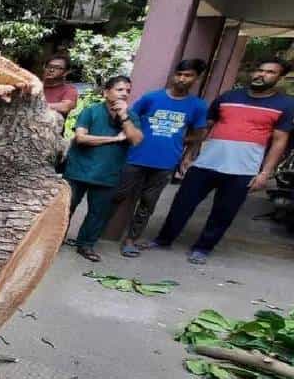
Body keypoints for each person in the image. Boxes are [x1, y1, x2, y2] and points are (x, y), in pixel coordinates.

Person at [149, 59, 294, 264]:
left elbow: (280, 140)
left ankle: (203, 248)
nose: (261, 75)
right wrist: (190, 154)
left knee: (224, 212)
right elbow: (204, 127)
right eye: (259, 70)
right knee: (181, 204)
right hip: (205, 163)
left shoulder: (286, 104)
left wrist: (264, 173)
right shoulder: (228, 97)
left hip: (243, 169)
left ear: (279, 78)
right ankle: (164, 239)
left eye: (270, 72)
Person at [112, 59, 209, 257]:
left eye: (188, 75)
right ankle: (94, 233)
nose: (182, 79)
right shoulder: (151, 98)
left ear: (196, 79)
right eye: (179, 74)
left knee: (148, 203)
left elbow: (200, 134)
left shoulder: (197, 106)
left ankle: (131, 239)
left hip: (165, 163)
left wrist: (184, 145)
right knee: (117, 195)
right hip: (135, 157)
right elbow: (127, 117)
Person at [63, 76, 143, 262]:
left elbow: (136, 139)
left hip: (108, 174)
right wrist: (115, 139)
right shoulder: (91, 111)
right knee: (66, 208)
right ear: (106, 92)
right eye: (119, 89)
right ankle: (55, 240)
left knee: (98, 213)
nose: (124, 93)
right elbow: (81, 138)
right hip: (78, 171)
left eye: (127, 91)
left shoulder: (131, 117)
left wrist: (124, 117)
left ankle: (86, 245)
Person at [41, 53, 78, 118]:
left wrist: (37, 106)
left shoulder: (69, 90)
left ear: (66, 72)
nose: (51, 70)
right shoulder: (34, 87)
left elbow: (65, 107)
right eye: (49, 66)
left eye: (57, 68)